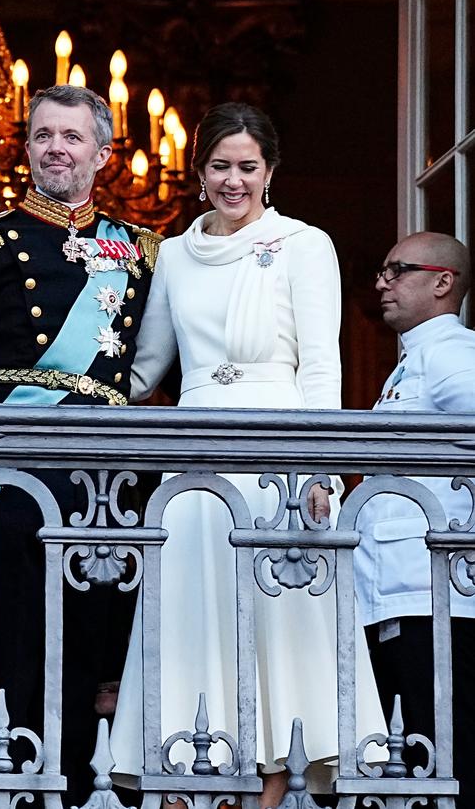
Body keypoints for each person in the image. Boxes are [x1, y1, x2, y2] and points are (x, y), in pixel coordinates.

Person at [110, 102, 385, 807]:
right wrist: (62, 386)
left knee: (277, 622)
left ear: (270, 172)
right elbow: (147, 369)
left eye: (248, 167)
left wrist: (321, 466)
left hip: (280, 446)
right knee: (194, 615)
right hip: (197, 451)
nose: (234, 181)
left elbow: (322, 363)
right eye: (220, 167)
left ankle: (270, 788)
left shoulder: (304, 242)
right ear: (198, 172)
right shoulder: (171, 253)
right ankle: (190, 781)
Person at [0, 84, 162, 805]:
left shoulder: (139, 250)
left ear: (103, 153)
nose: (56, 148)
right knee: (7, 636)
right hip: (6, 468)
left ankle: (89, 785)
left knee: (96, 642)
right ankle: (1, 781)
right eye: (43, 135)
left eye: (72, 137)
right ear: (27, 148)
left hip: (104, 476)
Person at [354, 231, 475, 809]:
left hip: (434, 597)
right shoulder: (415, 360)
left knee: (446, 762)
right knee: (422, 759)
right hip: (405, 592)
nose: (382, 282)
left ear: (442, 281)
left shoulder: (449, 353)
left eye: (396, 270)